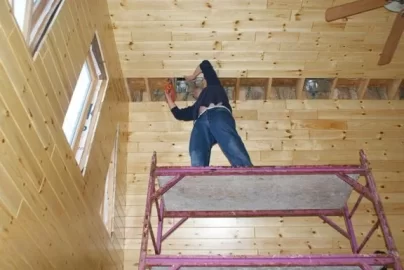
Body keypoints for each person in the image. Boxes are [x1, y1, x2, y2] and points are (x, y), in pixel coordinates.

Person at [164, 60, 253, 167]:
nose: (193, 92)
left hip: (218, 114)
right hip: (201, 122)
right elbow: (178, 114)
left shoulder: (213, 85)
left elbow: (205, 64)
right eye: (193, 94)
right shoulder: (195, 108)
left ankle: (245, 170)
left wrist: (192, 76)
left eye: (196, 89)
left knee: (231, 143)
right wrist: (168, 97)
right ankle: (199, 176)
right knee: (196, 151)